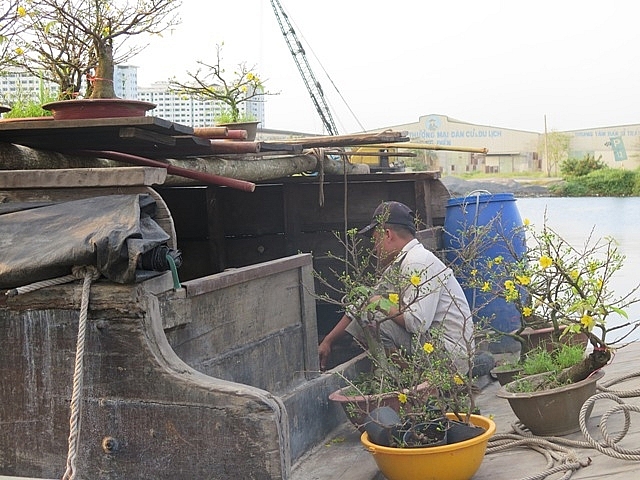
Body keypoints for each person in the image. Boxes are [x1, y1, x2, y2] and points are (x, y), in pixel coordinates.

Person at [318, 201, 475, 373]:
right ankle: (411, 379)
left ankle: (415, 382)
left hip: (451, 356)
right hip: (435, 347)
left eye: (375, 240)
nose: (374, 249)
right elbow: (363, 302)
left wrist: (379, 303)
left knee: (372, 318)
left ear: (387, 234)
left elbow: (417, 323)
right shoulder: (401, 263)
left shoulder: (418, 261)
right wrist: (328, 341)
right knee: (367, 312)